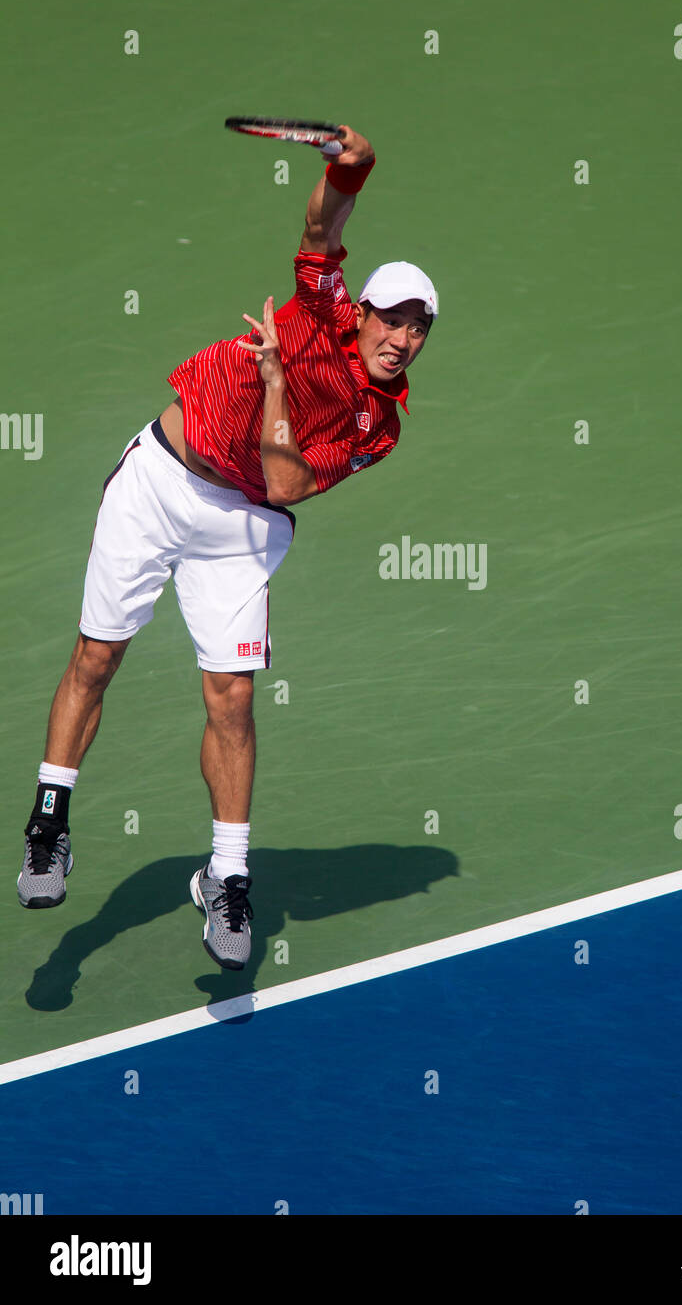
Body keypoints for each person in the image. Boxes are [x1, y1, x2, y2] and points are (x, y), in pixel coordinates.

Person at [17, 123, 438, 971]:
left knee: (233, 702)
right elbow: (323, 230)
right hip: (160, 481)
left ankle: (230, 877)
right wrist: (353, 165)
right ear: (359, 315)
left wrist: (279, 382)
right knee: (96, 657)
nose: (401, 338)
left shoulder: (378, 425)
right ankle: (48, 827)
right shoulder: (319, 307)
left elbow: (284, 485)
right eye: (390, 320)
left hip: (243, 525)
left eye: (418, 328)